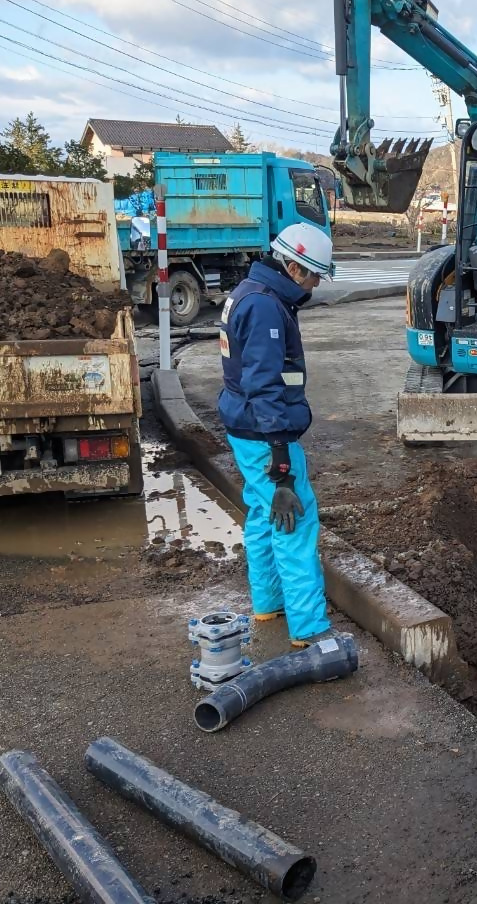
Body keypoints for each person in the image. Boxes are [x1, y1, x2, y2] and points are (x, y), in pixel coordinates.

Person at [217, 222, 337, 648]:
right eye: (312, 275)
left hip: (244, 427)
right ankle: (310, 629)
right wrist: (282, 461)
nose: (315, 284)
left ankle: (267, 601)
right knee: (295, 519)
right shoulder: (266, 307)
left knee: (261, 512)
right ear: (291, 266)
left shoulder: (249, 292)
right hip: (265, 432)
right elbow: (264, 384)